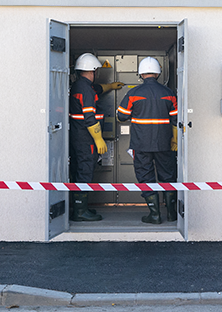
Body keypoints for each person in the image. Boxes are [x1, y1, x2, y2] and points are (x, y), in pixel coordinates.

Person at [116, 57, 178, 224]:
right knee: (168, 175)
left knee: (145, 176)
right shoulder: (169, 93)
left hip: (141, 144)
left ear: (141, 73)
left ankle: (155, 215)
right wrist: (175, 141)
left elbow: (121, 116)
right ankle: (172, 214)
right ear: (158, 73)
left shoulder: (134, 93)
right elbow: (175, 120)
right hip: (165, 143)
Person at [68, 53, 124, 221]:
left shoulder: (81, 86)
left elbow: (98, 89)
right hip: (86, 138)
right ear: (93, 71)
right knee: (85, 171)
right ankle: (79, 211)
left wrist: (111, 86)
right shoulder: (85, 89)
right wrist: (98, 139)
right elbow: (89, 117)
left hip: (79, 136)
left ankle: (81, 207)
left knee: (80, 170)